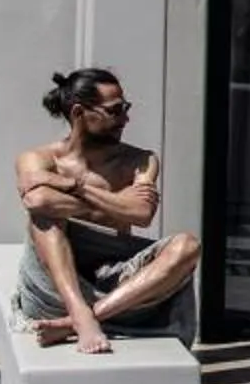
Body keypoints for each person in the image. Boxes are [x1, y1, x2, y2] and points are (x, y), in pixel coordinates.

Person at [12, 68, 199, 353]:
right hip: (57, 282)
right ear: (78, 112)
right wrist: (115, 202)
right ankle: (79, 312)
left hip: (117, 281)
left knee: (188, 245)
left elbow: (141, 213)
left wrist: (72, 186)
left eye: (125, 108)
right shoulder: (38, 158)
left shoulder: (140, 160)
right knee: (46, 219)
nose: (125, 118)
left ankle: (84, 318)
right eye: (115, 111)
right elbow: (39, 203)